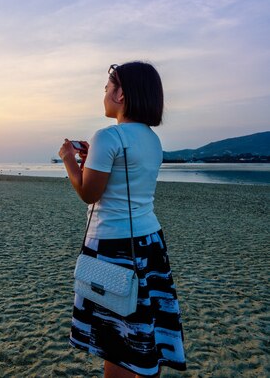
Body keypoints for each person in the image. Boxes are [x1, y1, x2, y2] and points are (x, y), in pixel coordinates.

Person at [58, 62, 187, 378]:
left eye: (107, 87)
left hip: (113, 245)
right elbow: (123, 181)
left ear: (122, 94)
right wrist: (92, 161)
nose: (104, 92)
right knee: (144, 335)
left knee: (115, 341)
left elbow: (90, 194)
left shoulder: (107, 136)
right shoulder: (151, 139)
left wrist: (68, 161)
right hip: (150, 242)